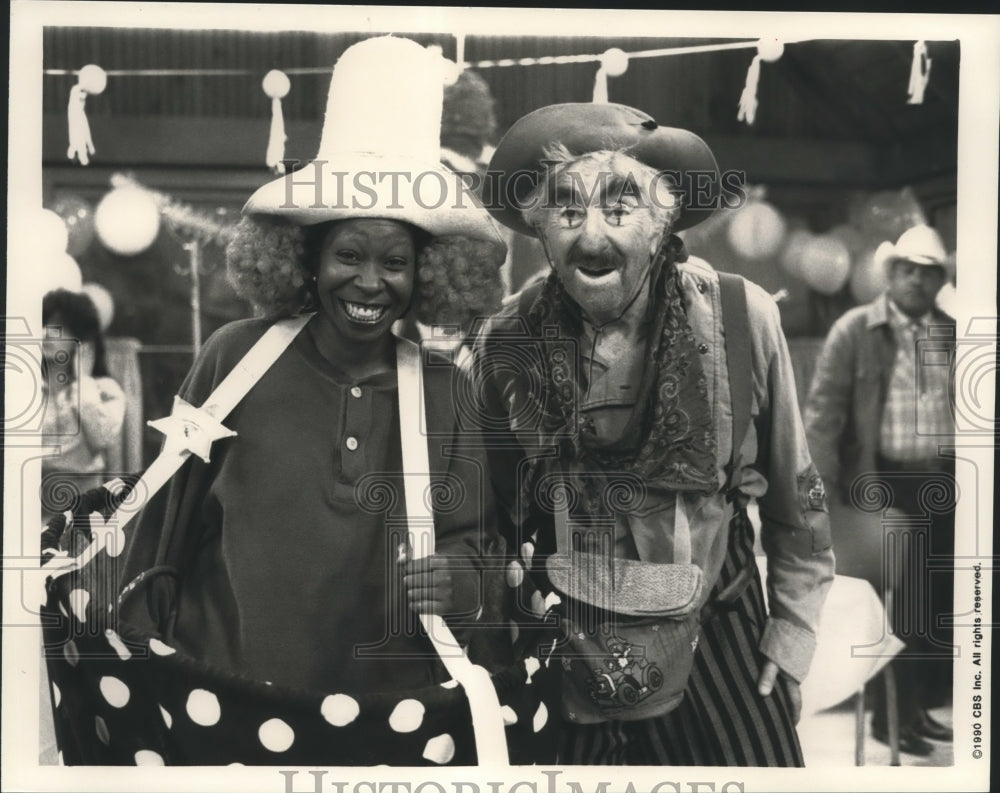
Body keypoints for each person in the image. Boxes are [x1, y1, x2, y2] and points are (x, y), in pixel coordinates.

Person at [116, 36, 508, 701]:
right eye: (348, 254)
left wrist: (460, 580)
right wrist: (132, 661)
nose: (369, 281)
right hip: (216, 696)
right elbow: (159, 525)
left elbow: (479, 548)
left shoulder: (450, 392)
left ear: (429, 274)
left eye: (395, 262)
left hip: (389, 713)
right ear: (303, 257)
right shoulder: (234, 357)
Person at [472, 102, 835, 766]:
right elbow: (494, 517)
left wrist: (792, 631)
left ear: (665, 217)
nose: (592, 237)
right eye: (567, 209)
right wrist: (498, 648)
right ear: (538, 227)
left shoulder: (740, 314)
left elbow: (798, 496)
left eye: (620, 206)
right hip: (564, 640)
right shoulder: (504, 341)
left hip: (722, 636)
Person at [804, 223, 955, 756]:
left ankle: (916, 710)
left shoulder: (953, 331)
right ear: (889, 274)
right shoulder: (854, 330)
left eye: (927, 272)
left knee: (937, 603)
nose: (916, 279)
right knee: (903, 604)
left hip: (942, 482)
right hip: (879, 485)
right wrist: (818, 499)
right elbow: (821, 418)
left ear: (941, 281)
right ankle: (892, 720)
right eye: (906, 269)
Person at [40, 288, 126, 521]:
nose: (47, 333)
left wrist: (83, 382)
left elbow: (100, 439)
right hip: (32, 507)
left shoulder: (106, 391)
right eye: (44, 323)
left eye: (59, 326)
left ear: (82, 341)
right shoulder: (25, 390)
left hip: (83, 510)